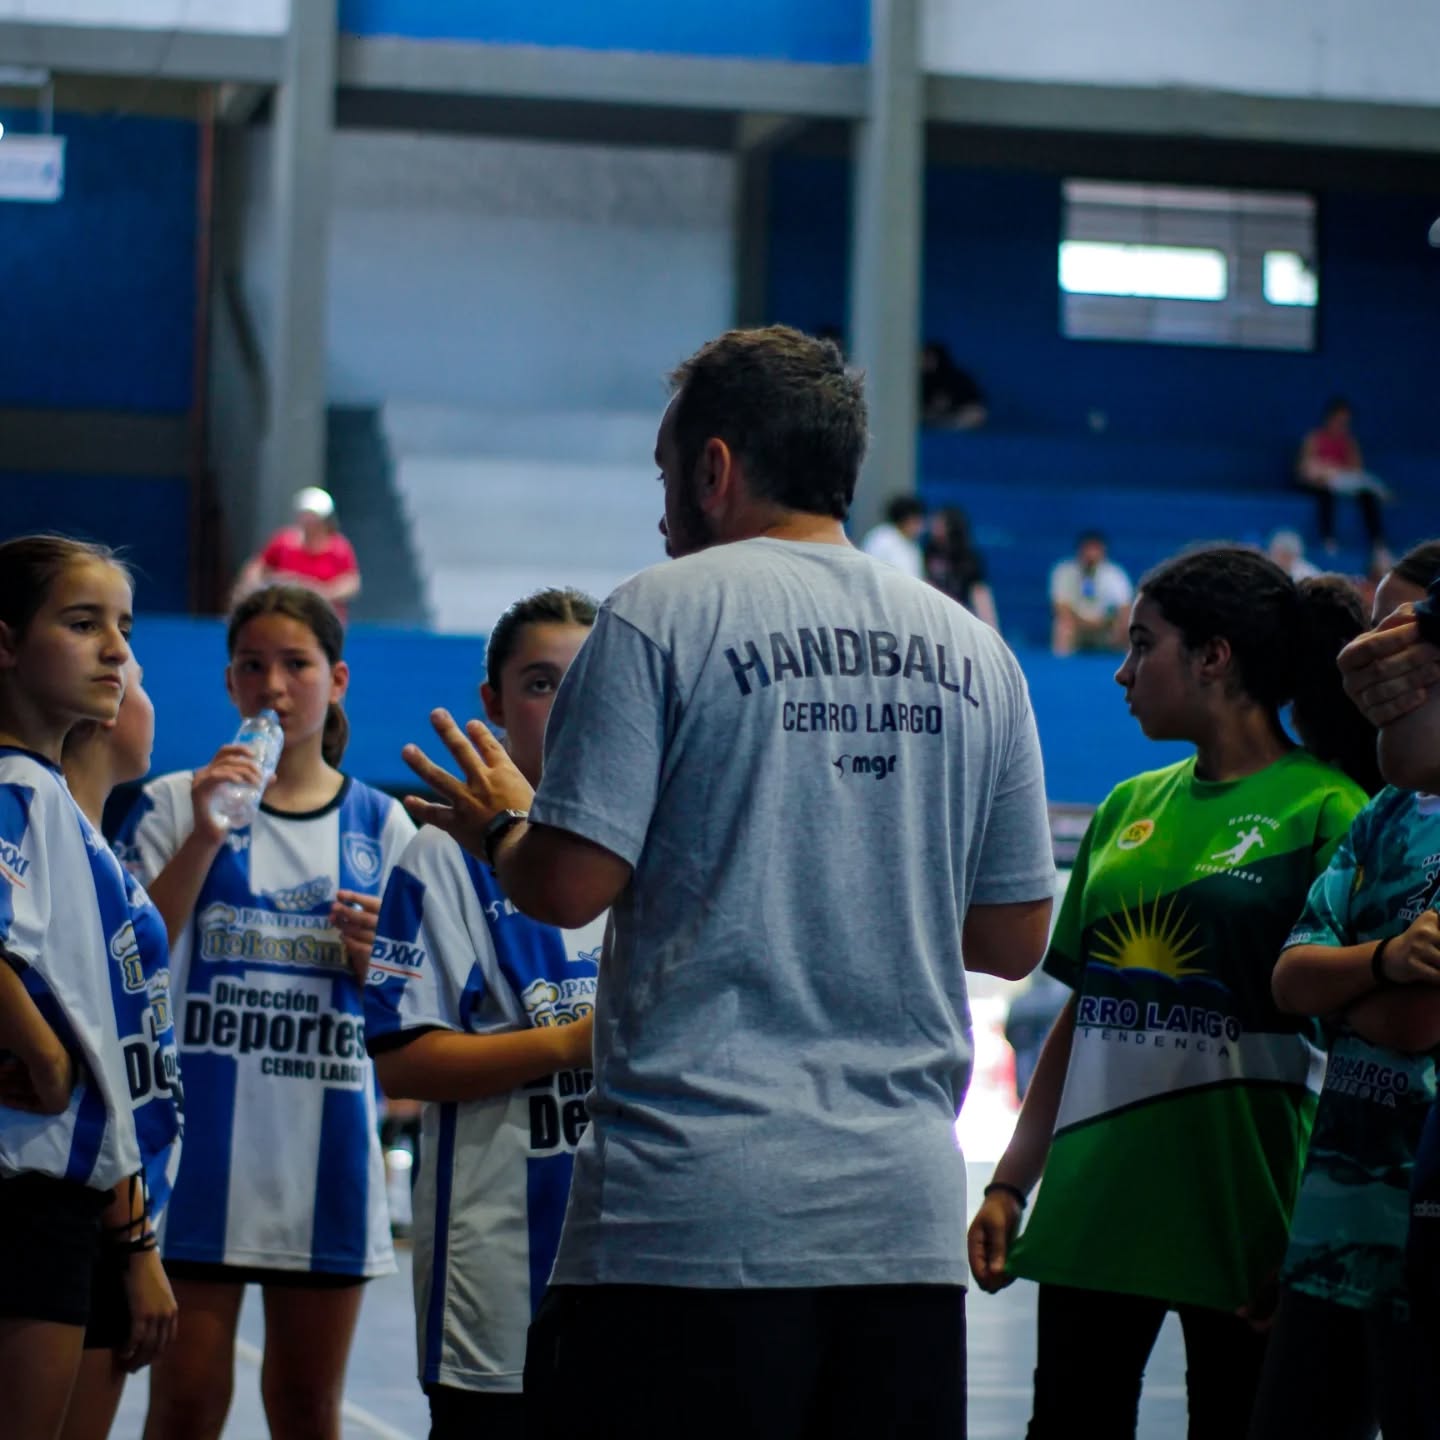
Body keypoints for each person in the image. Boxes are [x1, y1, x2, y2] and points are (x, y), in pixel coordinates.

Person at [399, 325, 1057, 1438]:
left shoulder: (661, 611)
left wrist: (502, 825)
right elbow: (1009, 940)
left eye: (667, 475)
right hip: (898, 1224)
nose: (663, 511)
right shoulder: (976, 652)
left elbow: (566, 888)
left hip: (691, 1222)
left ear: (714, 468)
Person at [968, 546, 1374, 1440]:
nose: (1121, 672)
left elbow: (1361, 1047)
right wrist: (1009, 1183)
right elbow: (1085, 1012)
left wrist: (1313, 1235)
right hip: (1094, 1214)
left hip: (1245, 1222)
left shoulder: (1329, 811)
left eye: (1142, 645)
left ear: (1214, 657)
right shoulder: (1124, 807)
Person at [116, 585, 415, 1440]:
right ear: (229, 683)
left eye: (297, 664)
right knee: (183, 1406)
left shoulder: (383, 825)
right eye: (253, 665)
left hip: (324, 1166)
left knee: (306, 1412)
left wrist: (375, 962)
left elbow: (416, 1007)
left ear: (339, 679)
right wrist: (208, 834)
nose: (274, 685)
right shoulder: (177, 802)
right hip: (197, 1164)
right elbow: (125, 961)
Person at [365, 587, 601, 1440]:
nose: (565, 706)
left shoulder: (649, 845)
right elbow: (403, 1060)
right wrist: (575, 1044)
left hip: (639, 1275)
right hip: (497, 1283)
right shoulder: (443, 858)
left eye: (585, 682)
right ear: (494, 704)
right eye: (540, 683)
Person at [1247, 542, 1440, 1440]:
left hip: (1418, 1228)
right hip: (1332, 1229)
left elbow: (1413, 1019)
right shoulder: (1385, 813)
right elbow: (1289, 979)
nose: (1370, 674)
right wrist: (1382, 959)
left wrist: (1351, 979)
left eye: (1401, 642)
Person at [0, 537, 165, 1440]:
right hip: (26, 1189)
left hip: (66, 1198)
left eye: (125, 630)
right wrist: (46, 1056)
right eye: (81, 622)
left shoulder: (49, 798)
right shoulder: (14, 784)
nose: (116, 650)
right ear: (6, 644)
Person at [59, 656, 184, 1440]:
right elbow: (93, 1072)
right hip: (88, 1212)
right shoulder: (64, 847)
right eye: (143, 682)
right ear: (103, 715)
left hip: (111, 1209)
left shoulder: (102, 852)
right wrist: (134, 1245)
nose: (146, 700)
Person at [232, 487, 361, 622]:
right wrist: (254, 592)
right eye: (306, 515)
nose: (309, 521)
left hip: (323, 619)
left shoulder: (339, 548)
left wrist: (321, 593)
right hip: (282, 617)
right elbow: (257, 568)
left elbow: (351, 583)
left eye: (314, 517)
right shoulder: (284, 541)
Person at [1297, 397, 1389, 557]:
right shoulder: (1314, 438)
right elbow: (1304, 468)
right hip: (1321, 483)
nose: (1341, 425)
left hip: (1342, 482)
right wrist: (1322, 473)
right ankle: (1328, 539)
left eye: (1345, 422)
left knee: (1367, 496)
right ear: (1329, 419)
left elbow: (1357, 470)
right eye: (1338, 421)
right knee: (1325, 494)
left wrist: (1338, 471)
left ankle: (1378, 542)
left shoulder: (1349, 443)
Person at [1050, 531, 1133, 656]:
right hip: (1076, 626)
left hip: (1105, 627)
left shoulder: (1115, 574)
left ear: (1103, 552)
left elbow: (1125, 608)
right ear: (1079, 551)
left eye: (1095, 550)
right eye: (1087, 550)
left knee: (1127, 625)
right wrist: (1083, 622)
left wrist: (1105, 622)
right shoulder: (1063, 571)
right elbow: (1060, 607)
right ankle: (1060, 669)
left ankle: (1128, 670)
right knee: (1062, 627)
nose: (1091, 555)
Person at [925, 507, 999, 631]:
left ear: (951, 527)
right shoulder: (928, 550)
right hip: (932, 612)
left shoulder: (967, 557)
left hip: (957, 614)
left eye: (939, 522)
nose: (933, 525)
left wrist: (992, 629)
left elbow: (980, 593)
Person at [921, 341, 987, 429]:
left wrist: (950, 403)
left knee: (977, 413)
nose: (927, 361)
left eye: (930, 358)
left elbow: (975, 401)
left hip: (957, 413)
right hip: (932, 416)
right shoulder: (920, 380)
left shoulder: (956, 377)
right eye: (925, 358)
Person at [859, 495, 926, 578]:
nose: (921, 527)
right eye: (917, 521)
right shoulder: (881, 539)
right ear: (907, 520)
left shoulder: (913, 547)